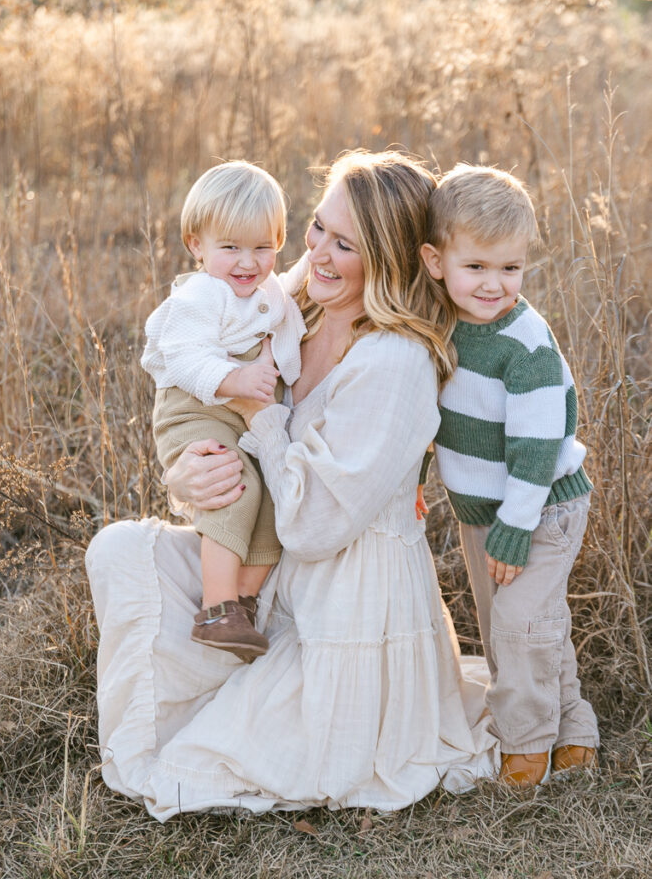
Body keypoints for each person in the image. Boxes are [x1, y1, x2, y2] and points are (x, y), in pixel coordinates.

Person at [85, 150, 499, 822]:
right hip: (267, 568)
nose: (319, 254)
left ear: (389, 260)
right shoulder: (296, 301)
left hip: (345, 600)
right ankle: (228, 649)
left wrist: (260, 415)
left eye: (346, 245)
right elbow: (190, 376)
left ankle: (256, 683)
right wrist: (185, 476)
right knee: (120, 551)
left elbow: (312, 528)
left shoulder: (393, 363)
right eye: (317, 228)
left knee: (206, 759)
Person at [420, 163, 599, 788]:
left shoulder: (526, 346)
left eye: (510, 267)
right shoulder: (442, 325)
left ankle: (525, 747)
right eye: (476, 266)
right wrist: (418, 477)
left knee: (519, 628)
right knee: (530, 625)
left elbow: (538, 448)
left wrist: (517, 526)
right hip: (484, 515)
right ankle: (574, 729)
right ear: (435, 261)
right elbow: (426, 412)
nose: (494, 284)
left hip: (540, 509)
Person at [140, 161, 306, 662]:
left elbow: (294, 305)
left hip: (238, 414)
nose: (247, 262)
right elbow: (185, 359)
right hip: (194, 410)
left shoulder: (271, 291)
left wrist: (280, 367)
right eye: (230, 247)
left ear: (279, 242)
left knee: (272, 502)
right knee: (234, 484)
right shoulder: (201, 294)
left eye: (262, 247)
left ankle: (243, 604)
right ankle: (216, 609)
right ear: (196, 245)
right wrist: (238, 379)